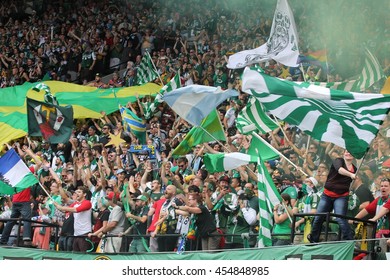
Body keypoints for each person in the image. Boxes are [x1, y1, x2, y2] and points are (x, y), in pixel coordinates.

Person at [308, 150, 356, 243]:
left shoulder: (355, 169)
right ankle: (313, 239)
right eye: (346, 151)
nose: (348, 153)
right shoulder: (338, 161)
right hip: (327, 195)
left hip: (341, 196)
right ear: (343, 154)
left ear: (353, 156)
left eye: (350, 152)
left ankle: (349, 240)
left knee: (340, 218)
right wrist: (351, 174)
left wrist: (353, 175)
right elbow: (339, 169)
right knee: (319, 217)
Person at [54, 186, 92, 252]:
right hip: (76, 234)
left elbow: (76, 210)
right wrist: (57, 206)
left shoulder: (87, 203)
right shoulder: (75, 203)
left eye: (79, 192)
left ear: (85, 194)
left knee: (84, 256)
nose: (77, 194)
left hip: (84, 234)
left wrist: (61, 207)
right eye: (76, 192)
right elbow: (65, 211)